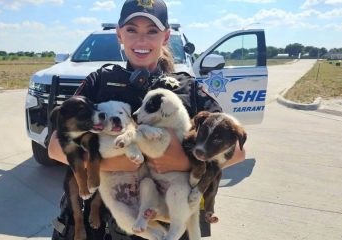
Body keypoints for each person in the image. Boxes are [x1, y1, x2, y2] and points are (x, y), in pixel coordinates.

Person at [48, 0, 246, 239]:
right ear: (119, 34)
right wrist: (116, 163)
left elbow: (237, 151)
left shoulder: (187, 87)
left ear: (165, 37)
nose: (141, 41)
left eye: (151, 31)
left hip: (165, 221)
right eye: (132, 30)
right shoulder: (98, 82)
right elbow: (56, 147)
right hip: (100, 226)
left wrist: (184, 162)